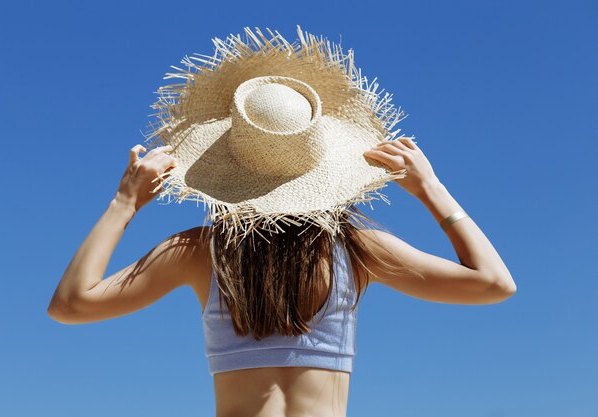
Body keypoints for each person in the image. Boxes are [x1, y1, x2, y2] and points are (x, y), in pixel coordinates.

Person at [47, 26, 517, 417]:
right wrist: (431, 189)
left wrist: (124, 203)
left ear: (227, 170)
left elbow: (71, 305)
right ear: (320, 165)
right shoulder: (356, 249)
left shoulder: (199, 252)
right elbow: (493, 284)